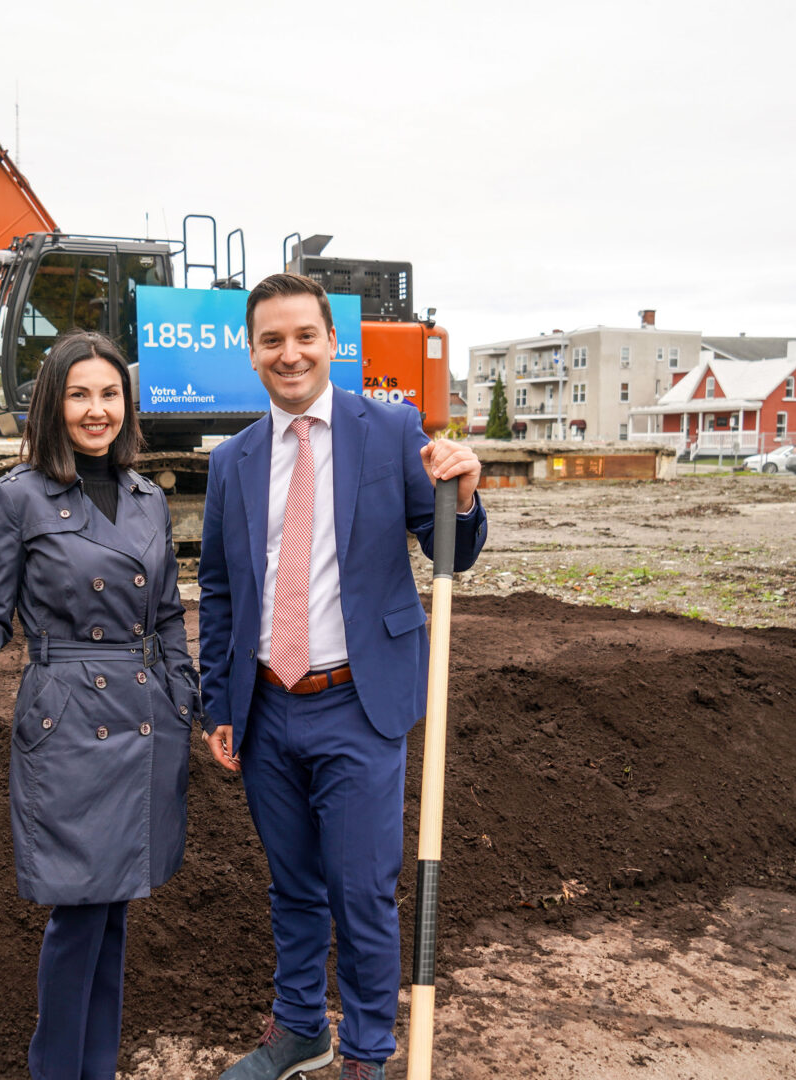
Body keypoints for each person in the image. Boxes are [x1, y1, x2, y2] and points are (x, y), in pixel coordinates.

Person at [197, 274, 487, 1080]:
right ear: (250, 352)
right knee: (292, 888)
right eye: (271, 340)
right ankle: (300, 1030)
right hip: (265, 706)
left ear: (333, 344)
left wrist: (461, 499)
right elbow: (221, 589)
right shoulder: (233, 461)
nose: (289, 354)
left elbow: (450, 556)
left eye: (304, 337)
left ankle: (364, 1050)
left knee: (360, 892)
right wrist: (218, 702)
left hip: (359, 703)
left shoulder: (390, 431)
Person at [0, 329, 200, 1080]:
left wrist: (183, 695)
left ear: (127, 403)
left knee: (113, 915)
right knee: (79, 915)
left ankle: (98, 1068)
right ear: (54, 404)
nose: (96, 409)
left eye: (109, 394)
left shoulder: (147, 497)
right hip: (69, 718)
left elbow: (171, 614)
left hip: (147, 716)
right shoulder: (20, 497)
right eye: (79, 394)